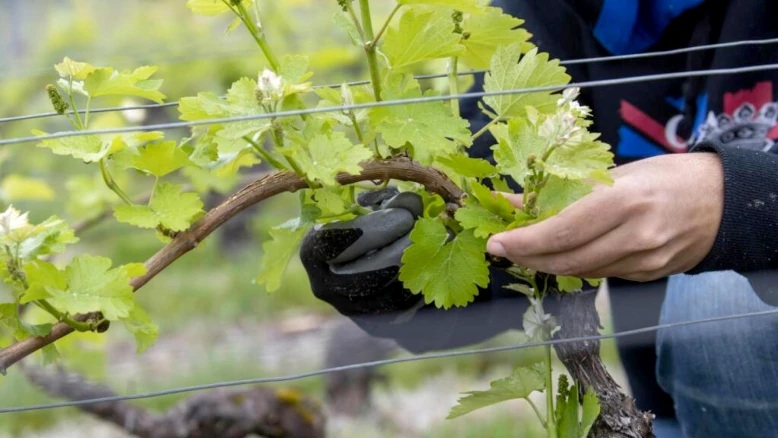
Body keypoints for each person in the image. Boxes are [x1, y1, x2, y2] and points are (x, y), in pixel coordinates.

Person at [301, 1, 778, 436]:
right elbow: (491, 222)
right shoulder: (555, 10)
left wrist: (741, 204)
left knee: (721, 296)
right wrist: (399, 277)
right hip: (670, 411)